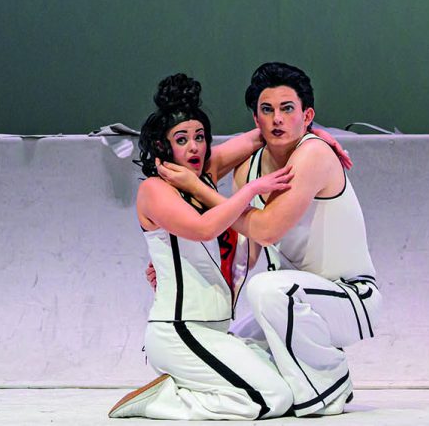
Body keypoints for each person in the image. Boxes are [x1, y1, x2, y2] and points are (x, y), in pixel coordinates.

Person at [159, 63, 379, 417]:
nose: (277, 118)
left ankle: (328, 386)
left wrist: (200, 189)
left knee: (266, 290)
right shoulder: (249, 168)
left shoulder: (315, 154)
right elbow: (242, 250)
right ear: (255, 118)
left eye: (287, 109)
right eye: (267, 110)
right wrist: (174, 260)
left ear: (308, 116)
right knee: (232, 348)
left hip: (351, 298)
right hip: (295, 300)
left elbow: (266, 229)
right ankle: (174, 397)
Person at [108, 74, 298, 420]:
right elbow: (203, 228)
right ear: (163, 146)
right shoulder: (154, 190)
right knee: (271, 399)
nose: (194, 147)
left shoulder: (203, 175)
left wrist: (319, 138)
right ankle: (164, 400)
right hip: (180, 330)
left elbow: (264, 134)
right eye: (182, 139)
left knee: (292, 388)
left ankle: (190, 388)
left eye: (199, 137)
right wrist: (250, 190)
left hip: (215, 329)